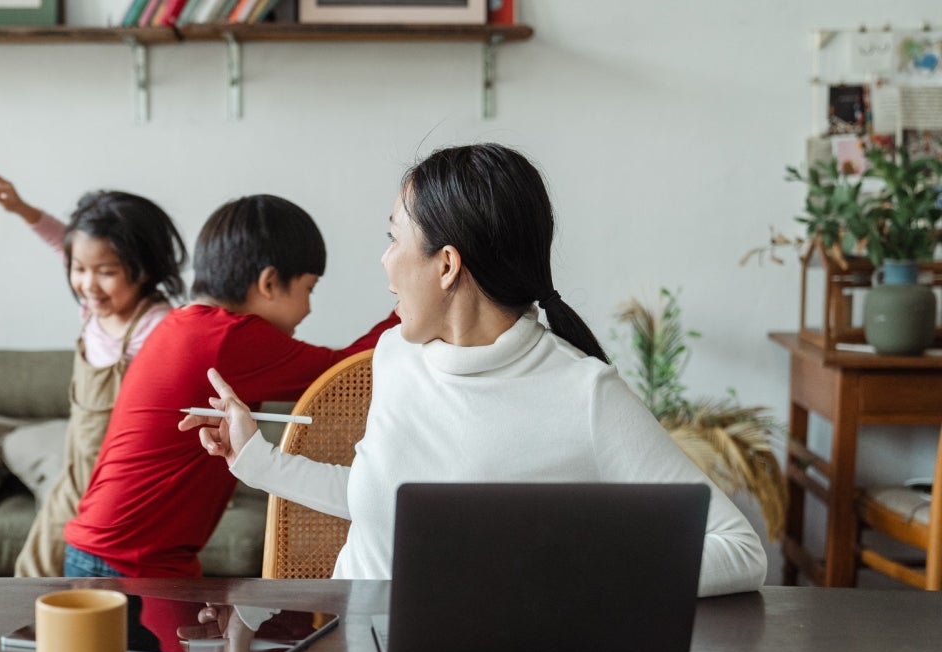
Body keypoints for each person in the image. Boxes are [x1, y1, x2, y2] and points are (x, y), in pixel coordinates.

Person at [180, 143, 768, 598]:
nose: (384, 261)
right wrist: (256, 460)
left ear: (446, 265)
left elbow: (739, 550)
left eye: (393, 237)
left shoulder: (585, 394)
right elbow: (380, 502)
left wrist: (568, 568)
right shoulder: (395, 356)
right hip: (354, 647)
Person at [63, 194, 400, 578]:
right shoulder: (226, 338)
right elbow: (342, 375)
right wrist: (409, 303)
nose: (308, 308)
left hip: (112, 552)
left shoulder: (187, 325)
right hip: (127, 564)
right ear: (269, 282)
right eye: (309, 289)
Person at [0, 175, 188, 577]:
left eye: (106, 272)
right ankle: (34, 638)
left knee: (81, 581)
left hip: (116, 486)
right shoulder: (95, 309)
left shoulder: (156, 327)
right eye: (79, 269)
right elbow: (66, 242)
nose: (88, 284)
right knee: (33, 570)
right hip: (74, 472)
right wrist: (23, 210)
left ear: (144, 268)